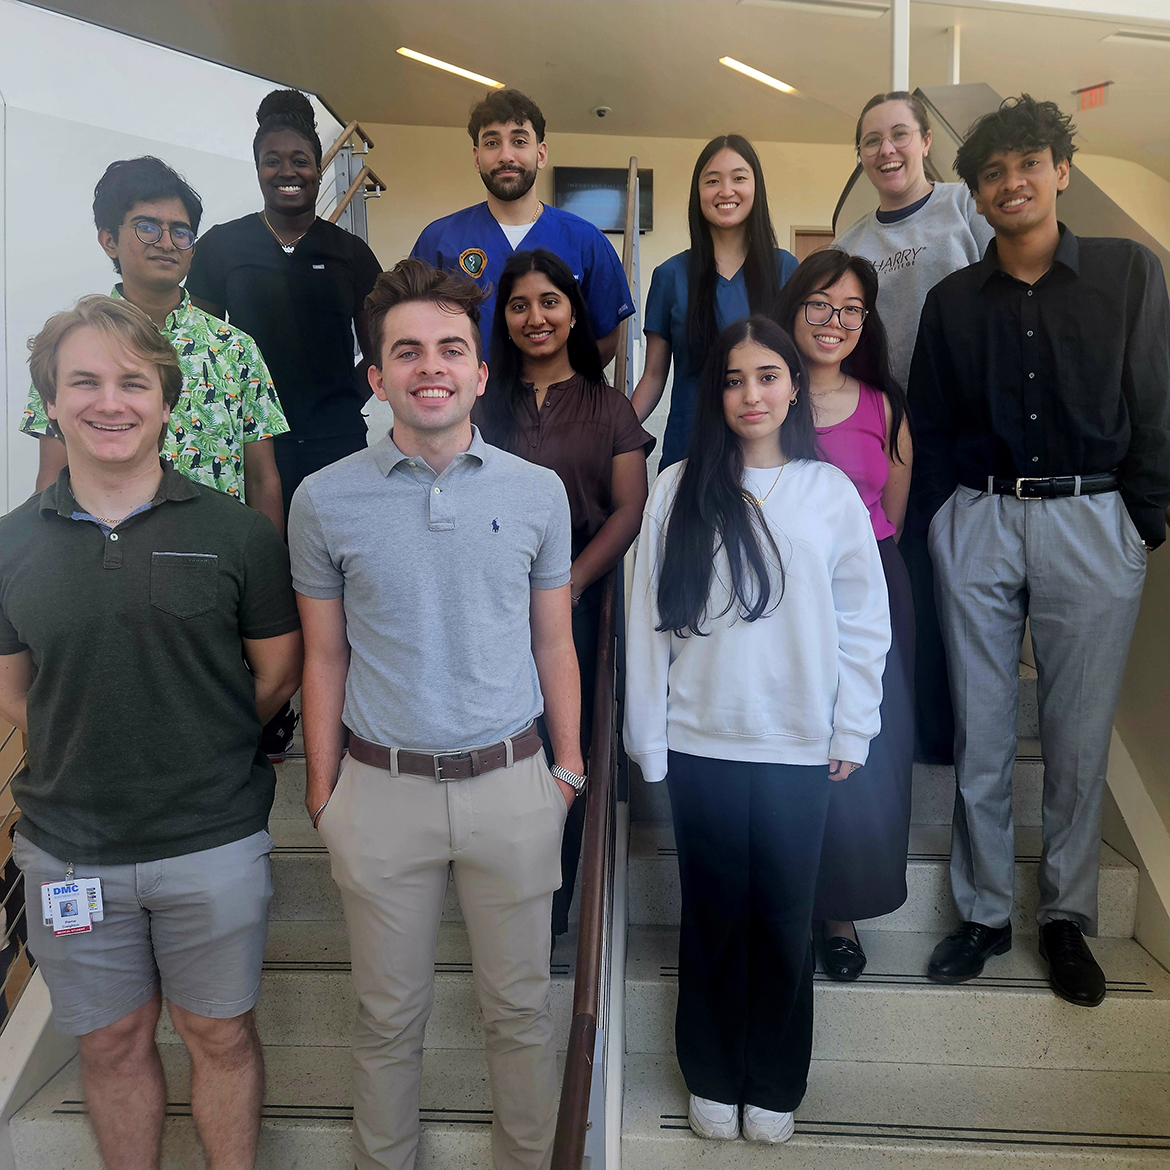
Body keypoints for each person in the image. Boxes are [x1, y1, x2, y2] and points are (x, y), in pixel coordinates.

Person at [289, 259, 582, 1169]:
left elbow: (555, 645)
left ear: (479, 372)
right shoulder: (323, 499)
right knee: (385, 1018)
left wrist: (566, 773)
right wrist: (325, 791)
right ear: (376, 378)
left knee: (523, 1014)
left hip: (513, 785)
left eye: (451, 348)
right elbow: (324, 655)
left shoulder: (538, 493)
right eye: (406, 351)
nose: (432, 367)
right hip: (380, 792)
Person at [0, 296, 303, 1169]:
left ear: (166, 401)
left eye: (133, 382)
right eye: (83, 381)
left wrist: (199, 737)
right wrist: (94, 740)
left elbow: (277, 671)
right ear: (49, 404)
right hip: (70, 854)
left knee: (220, 1034)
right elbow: (14, 690)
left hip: (211, 843)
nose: (110, 402)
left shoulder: (237, 534)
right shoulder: (12, 546)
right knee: (110, 1044)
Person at [910, 96, 1170, 1006]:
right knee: (982, 726)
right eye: (992, 172)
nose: (1011, 182)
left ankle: (1064, 919)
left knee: (1075, 731)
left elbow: (1157, 400)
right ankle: (982, 914)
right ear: (976, 195)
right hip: (978, 518)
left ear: (1060, 170)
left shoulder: (1129, 273)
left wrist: (1144, 520)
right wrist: (942, 522)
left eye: (1028, 163)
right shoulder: (950, 302)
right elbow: (931, 426)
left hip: (1095, 520)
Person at [624, 315, 889, 1144]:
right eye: (734, 379)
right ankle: (709, 1073)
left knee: (782, 917)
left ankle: (774, 1081)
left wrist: (854, 729)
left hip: (798, 747)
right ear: (716, 391)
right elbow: (644, 624)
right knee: (711, 915)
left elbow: (863, 621)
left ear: (793, 387)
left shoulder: (829, 492)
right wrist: (649, 741)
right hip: (702, 743)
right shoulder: (676, 488)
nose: (751, 393)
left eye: (767, 376)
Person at [476, 248, 651, 941]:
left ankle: (548, 912)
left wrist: (569, 583)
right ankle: (492, 896)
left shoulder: (609, 407)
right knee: (490, 746)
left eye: (550, 301)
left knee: (561, 751)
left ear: (573, 312)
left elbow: (629, 509)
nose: (535, 317)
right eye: (519, 304)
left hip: (571, 614)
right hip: (482, 605)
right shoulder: (481, 401)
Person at [835, 91, 996, 767]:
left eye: (899, 135)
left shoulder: (966, 208)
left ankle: (980, 740)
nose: (887, 150)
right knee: (916, 589)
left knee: (977, 593)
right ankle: (926, 738)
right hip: (894, 438)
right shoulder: (852, 245)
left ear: (927, 141)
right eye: (872, 140)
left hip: (978, 430)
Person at [773, 249, 914, 981]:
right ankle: (787, 901)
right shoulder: (766, 394)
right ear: (792, 310)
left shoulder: (882, 404)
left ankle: (842, 912)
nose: (835, 322)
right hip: (779, 597)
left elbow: (889, 511)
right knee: (787, 748)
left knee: (859, 759)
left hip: (868, 593)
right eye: (820, 305)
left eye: (851, 308)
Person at [21, 156, 288, 531]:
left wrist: (267, 571)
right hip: (101, 554)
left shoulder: (235, 347)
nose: (166, 243)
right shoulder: (70, 346)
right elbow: (52, 473)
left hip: (217, 562)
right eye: (147, 227)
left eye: (181, 231)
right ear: (108, 240)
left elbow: (263, 479)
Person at [186, 88, 382, 518]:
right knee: (261, 567)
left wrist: (343, 401)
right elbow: (203, 354)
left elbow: (379, 353)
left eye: (300, 160)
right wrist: (238, 413)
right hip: (252, 444)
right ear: (258, 169)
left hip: (337, 443)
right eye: (272, 160)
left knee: (339, 565)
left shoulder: (351, 253)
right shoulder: (222, 245)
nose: (286, 171)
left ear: (318, 170)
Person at [411, 88, 634, 364]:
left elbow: (607, 335)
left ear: (541, 154)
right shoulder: (438, 240)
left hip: (559, 405)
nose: (506, 155)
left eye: (519, 141)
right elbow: (414, 328)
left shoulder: (586, 240)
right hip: (468, 405)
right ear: (476, 157)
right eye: (492, 143)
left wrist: (563, 394)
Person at [631, 135, 798, 468]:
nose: (726, 191)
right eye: (712, 180)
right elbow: (653, 376)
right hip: (691, 452)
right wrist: (614, 431)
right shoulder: (670, 275)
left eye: (738, 178)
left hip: (767, 453)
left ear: (756, 188)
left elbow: (800, 368)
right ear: (698, 192)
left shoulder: (785, 269)